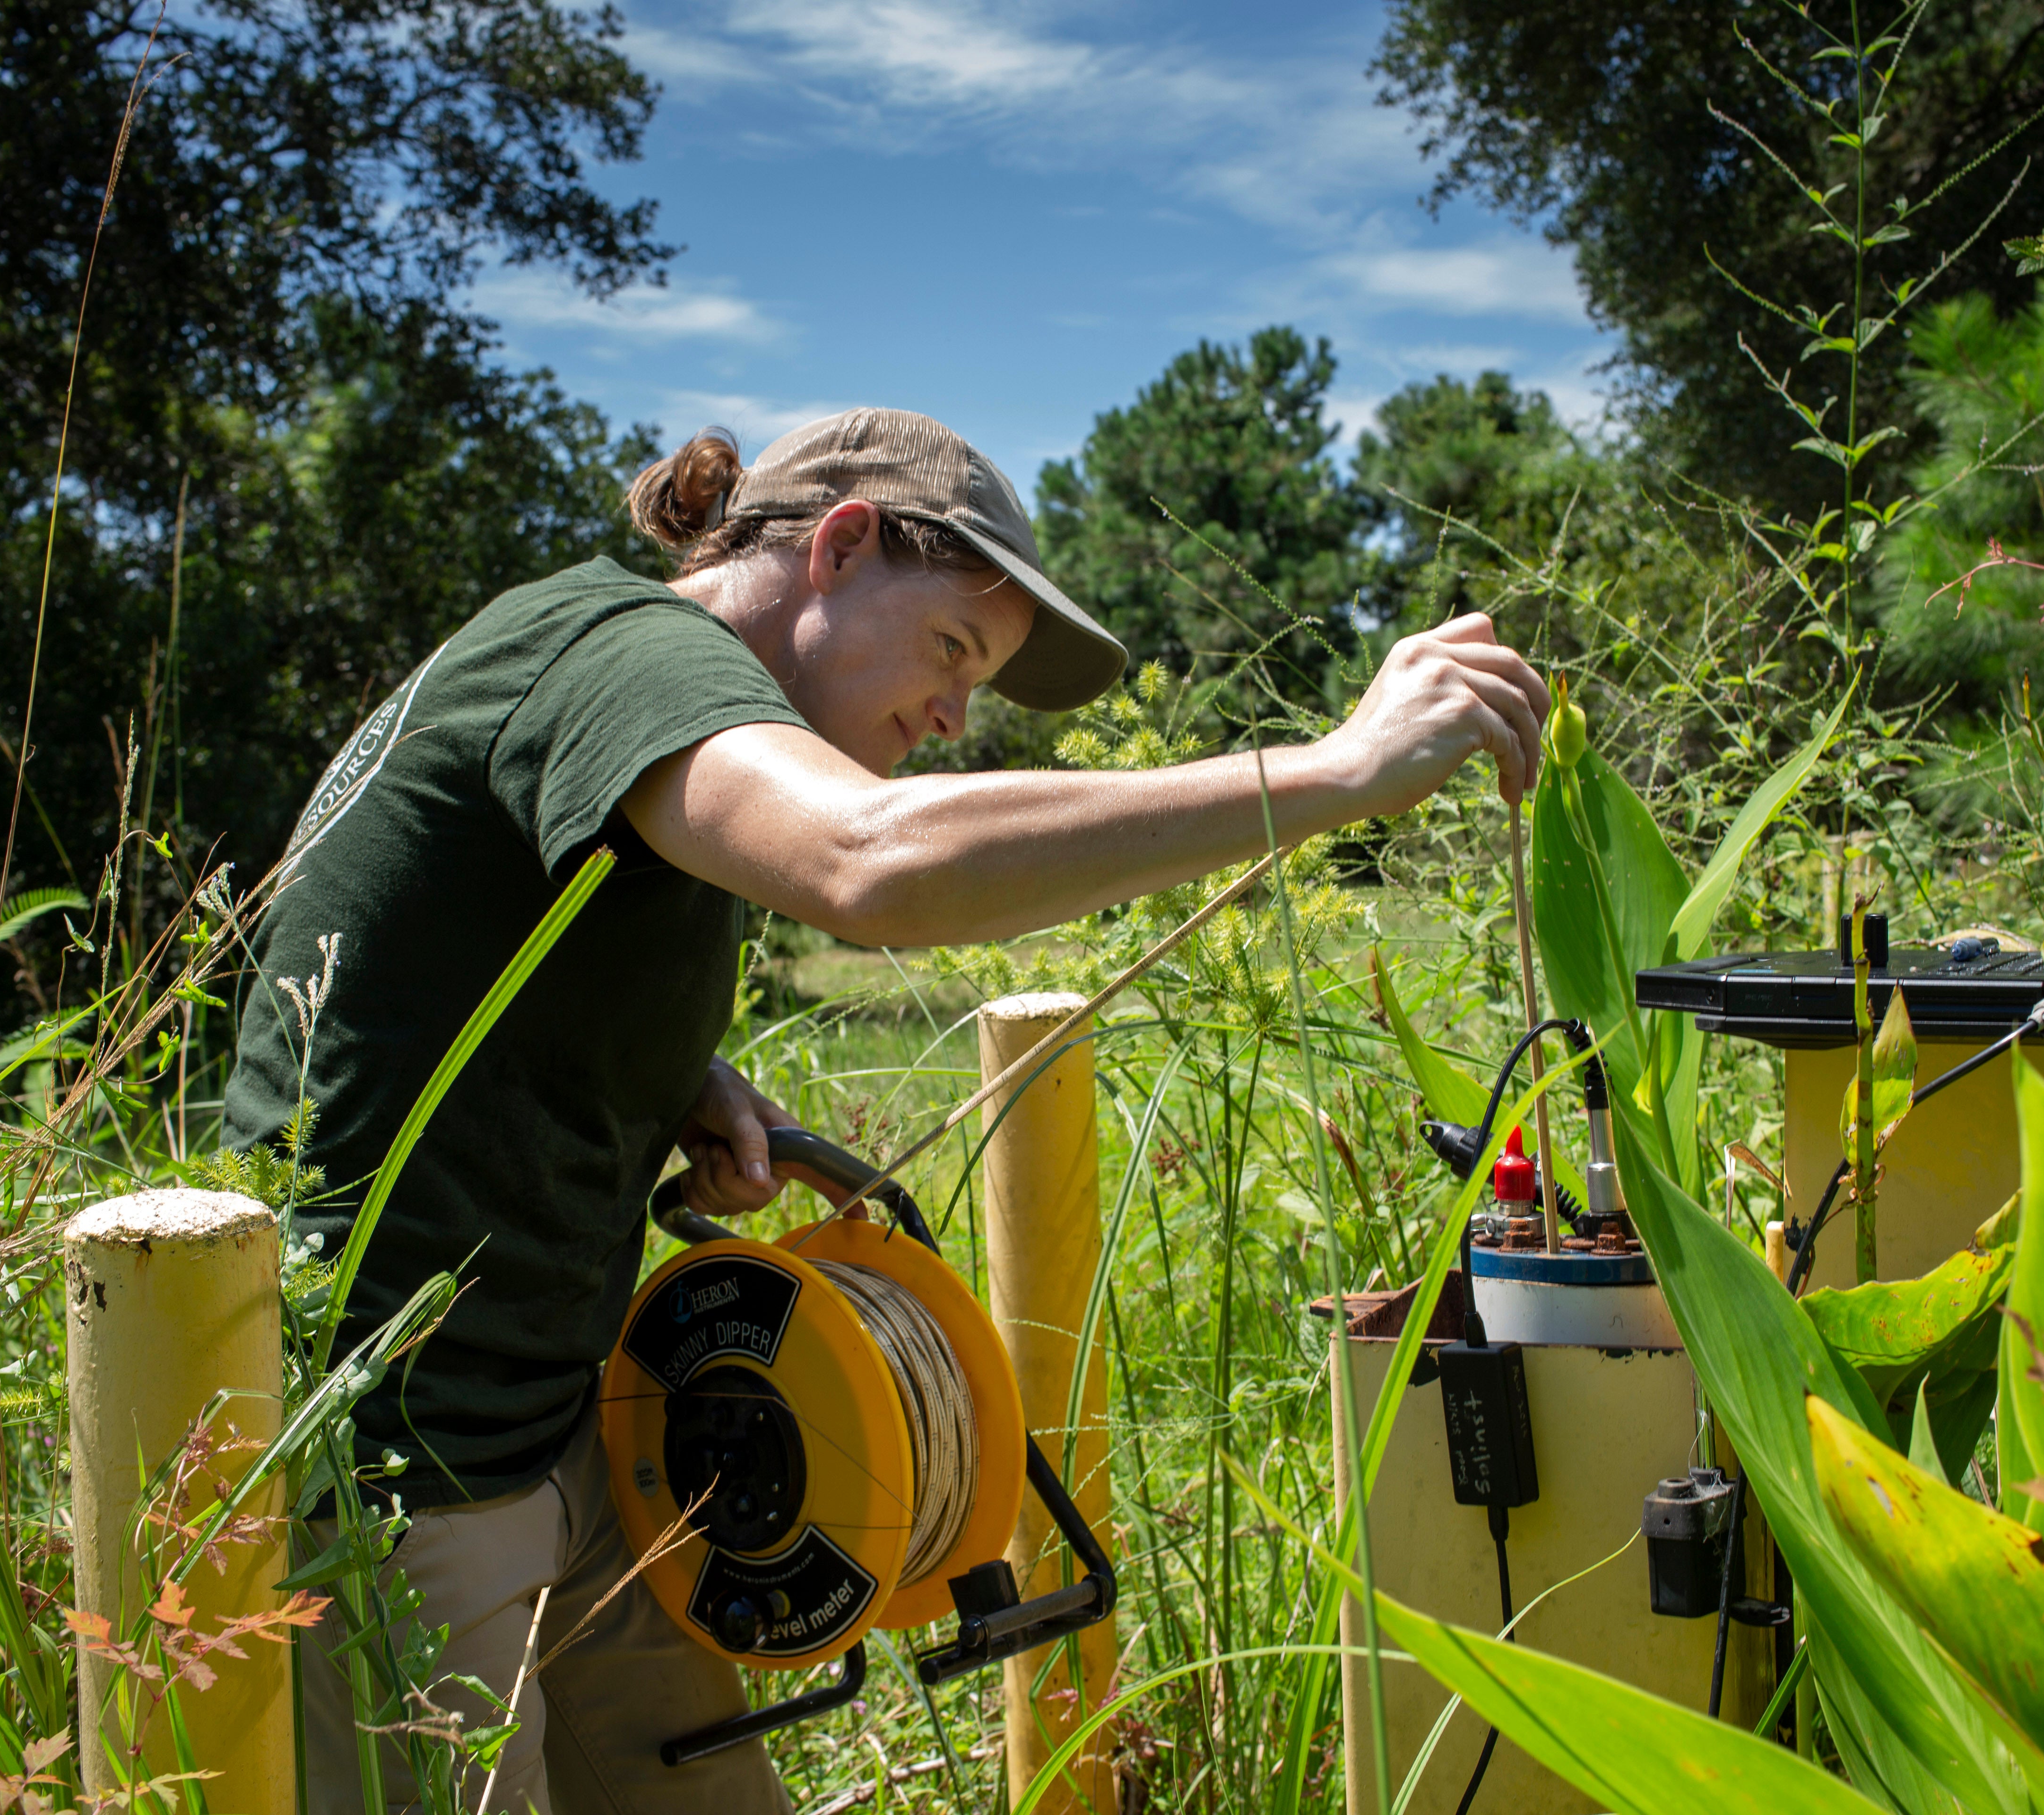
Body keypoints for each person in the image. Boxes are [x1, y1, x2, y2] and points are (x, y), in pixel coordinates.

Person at [223, 407, 1550, 1814]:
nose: (953, 717)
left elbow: (454, 946)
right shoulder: (623, 649)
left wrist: (673, 1080)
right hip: (393, 1458)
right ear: (840, 547)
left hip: (560, 1424)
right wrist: (1333, 775)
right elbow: (870, 861)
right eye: (952, 652)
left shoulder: (641, 711)